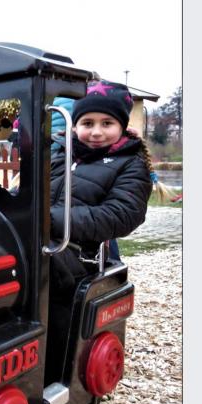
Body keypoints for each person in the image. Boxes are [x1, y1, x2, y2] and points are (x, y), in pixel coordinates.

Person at [48, 80, 153, 294]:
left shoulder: (131, 163)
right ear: (75, 126)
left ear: (122, 126)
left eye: (107, 123)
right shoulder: (59, 153)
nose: (96, 132)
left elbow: (122, 214)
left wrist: (48, 220)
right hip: (47, 240)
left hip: (83, 256)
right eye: (88, 123)